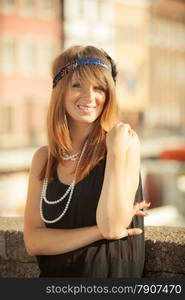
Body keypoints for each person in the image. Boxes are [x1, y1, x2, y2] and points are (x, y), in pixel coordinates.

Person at [23, 45, 150, 278]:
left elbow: (112, 225)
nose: (89, 97)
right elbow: (33, 241)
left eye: (99, 87)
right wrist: (97, 232)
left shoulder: (125, 144)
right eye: (77, 85)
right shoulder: (43, 158)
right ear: (60, 91)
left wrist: (114, 152)